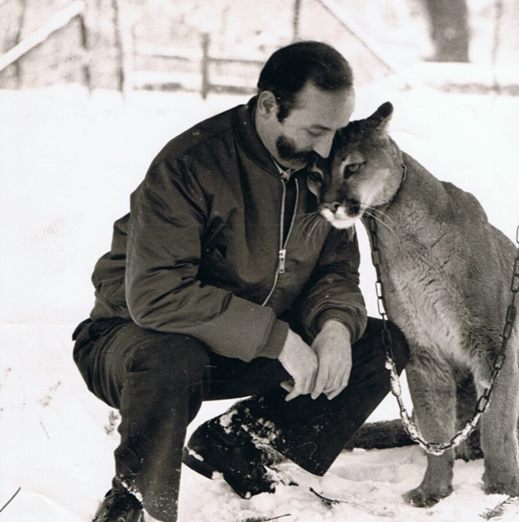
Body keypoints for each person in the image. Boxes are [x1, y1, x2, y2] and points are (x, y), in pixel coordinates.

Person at [72, 41, 409, 522]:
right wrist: (279, 340)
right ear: (269, 105)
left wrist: (335, 326)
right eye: (316, 130)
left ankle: (241, 445)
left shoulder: (318, 168)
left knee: (381, 345)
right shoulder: (189, 165)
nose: (327, 148)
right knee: (170, 356)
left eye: (336, 132)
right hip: (135, 344)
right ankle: (135, 499)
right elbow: (155, 295)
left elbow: (334, 270)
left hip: (248, 343)